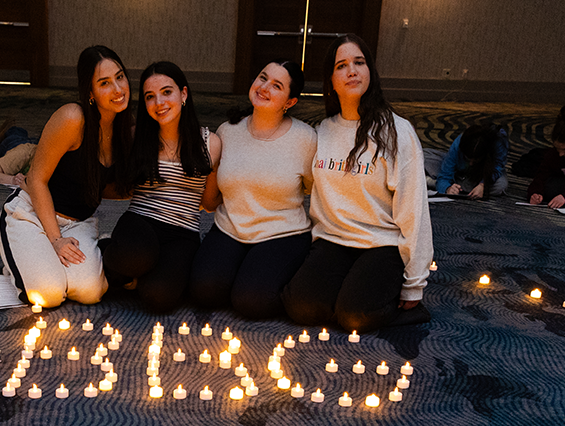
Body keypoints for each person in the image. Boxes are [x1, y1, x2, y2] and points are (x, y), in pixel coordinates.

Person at [281, 35, 433, 332]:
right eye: (341, 65)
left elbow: (414, 210)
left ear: (370, 71)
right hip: (333, 241)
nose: (351, 71)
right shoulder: (323, 131)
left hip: (381, 244)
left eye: (359, 63)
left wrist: (414, 283)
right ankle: (348, 292)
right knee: (300, 306)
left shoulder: (396, 131)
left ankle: (380, 302)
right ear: (331, 81)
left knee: (354, 315)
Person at [0, 45, 133, 307]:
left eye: (120, 77)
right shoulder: (72, 118)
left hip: (78, 223)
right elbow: (36, 179)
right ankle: (19, 257)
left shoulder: (124, 128)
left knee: (90, 292)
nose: (118, 89)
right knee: (47, 294)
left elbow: (101, 186)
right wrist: (56, 240)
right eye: (104, 83)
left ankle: (52, 258)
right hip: (33, 214)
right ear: (90, 92)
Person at [188, 60, 315, 319]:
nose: (264, 87)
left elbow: (313, 189)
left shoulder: (305, 138)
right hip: (230, 229)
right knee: (204, 292)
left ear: (290, 102)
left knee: (251, 301)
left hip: (282, 234)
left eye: (277, 86)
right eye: (262, 77)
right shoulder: (227, 131)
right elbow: (211, 202)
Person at [102, 61, 220, 313]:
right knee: (136, 257)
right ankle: (110, 251)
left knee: (158, 298)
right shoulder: (135, 136)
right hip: (140, 222)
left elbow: (209, 203)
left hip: (182, 232)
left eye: (167, 92)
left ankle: (137, 274)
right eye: (150, 96)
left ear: (183, 94)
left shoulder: (210, 143)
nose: (159, 103)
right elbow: (114, 183)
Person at [424, 123, 509, 198]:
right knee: (425, 157)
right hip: (459, 173)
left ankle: (434, 182)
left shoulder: (498, 143)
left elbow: (497, 167)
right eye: (468, 159)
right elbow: (445, 173)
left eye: (475, 160)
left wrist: (482, 184)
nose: (471, 163)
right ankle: (450, 185)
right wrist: (447, 188)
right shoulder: (458, 144)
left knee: (500, 185)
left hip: (480, 176)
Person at [0, 120, 36, 187]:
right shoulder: (23, 153)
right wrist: (12, 180)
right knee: (14, 138)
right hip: (15, 146)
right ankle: (11, 129)